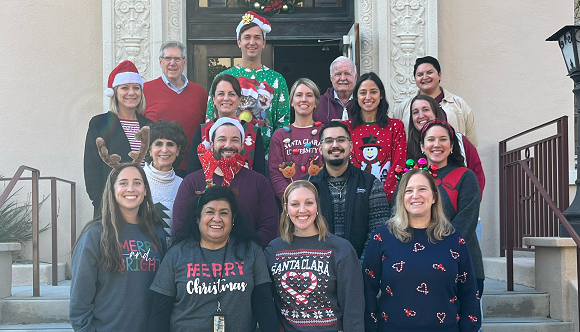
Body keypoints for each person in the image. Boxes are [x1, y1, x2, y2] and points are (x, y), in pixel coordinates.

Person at [362, 168, 481, 331]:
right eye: (408, 190)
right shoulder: (382, 237)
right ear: (401, 198)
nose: (415, 195)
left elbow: (469, 293)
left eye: (422, 189)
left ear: (434, 196)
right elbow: (367, 291)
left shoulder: (454, 239)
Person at [148, 186, 278, 332]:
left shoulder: (251, 251)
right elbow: (159, 315)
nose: (217, 218)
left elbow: (264, 305)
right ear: (198, 218)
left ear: (233, 219)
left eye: (224, 213)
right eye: (209, 212)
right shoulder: (176, 254)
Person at [70, 162, 166, 332]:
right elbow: (80, 299)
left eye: (137, 182)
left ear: (145, 190)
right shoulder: (95, 234)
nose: (131, 188)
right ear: (113, 190)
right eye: (123, 183)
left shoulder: (156, 231)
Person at [265, 180, 364, 332]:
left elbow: (353, 307)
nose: (302, 210)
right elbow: (264, 300)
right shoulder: (273, 250)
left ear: (317, 206)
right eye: (295, 204)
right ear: (286, 208)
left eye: (309, 203)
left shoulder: (341, 249)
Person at [173, 117, 279, 248]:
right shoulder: (192, 182)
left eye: (235, 140)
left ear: (242, 145)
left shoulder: (259, 182)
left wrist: (249, 254)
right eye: (222, 139)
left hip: (246, 262)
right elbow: (180, 225)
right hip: (199, 263)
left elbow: (268, 225)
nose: (228, 145)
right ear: (211, 145)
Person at [205, 11, 290, 153]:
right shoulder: (224, 77)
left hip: (265, 159)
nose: (252, 42)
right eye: (247, 37)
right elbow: (210, 118)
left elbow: (282, 123)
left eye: (257, 37)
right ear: (239, 42)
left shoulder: (277, 80)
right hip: (227, 155)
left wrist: (273, 156)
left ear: (264, 43)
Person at [419, 119, 484, 296]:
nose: (437, 144)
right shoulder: (413, 178)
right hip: (419, 265)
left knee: (465, 322)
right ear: (422, 146)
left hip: (461, 263)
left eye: (443, 139)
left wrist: (438, 251)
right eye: (431, 139)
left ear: (452, 145)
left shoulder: (465, 176)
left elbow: (466, 221)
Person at [307, 121, 389, 259]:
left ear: (350, 146)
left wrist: (358, 269)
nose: (335, 145)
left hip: (361, 270)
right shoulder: (308, 186)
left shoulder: (371, 184)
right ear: (320, 148)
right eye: (329, 141)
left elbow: (378, 233)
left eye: (341, 140)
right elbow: (300, 233)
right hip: (318, 270)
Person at [84, 60, 153, 216]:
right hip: (110, 206)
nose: (131, 92)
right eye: (124, 88)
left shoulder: (150, 126)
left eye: (136, 88)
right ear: (114, 92)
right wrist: (101, 202)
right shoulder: (100, 123)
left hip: (145, 205)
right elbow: (91, 167)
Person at [143, 41, 208, 177]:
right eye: (168, 58)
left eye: (177, 59)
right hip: (156, 169)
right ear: (160, 62)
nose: (172, 63)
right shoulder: (145, 91)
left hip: (192, 169)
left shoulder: (200, 93)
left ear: (184, 62)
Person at [407, 94, 485, 197]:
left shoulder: (460, 141)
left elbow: (478, 175)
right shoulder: (408, 147)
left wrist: (470, 203)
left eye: (426, 109)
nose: (421, 115)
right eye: (415, 112)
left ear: (436, 112)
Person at [390, 56, 478, 147]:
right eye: (420, 74)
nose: (425, 77)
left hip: (453, 160)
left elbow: (471, 143)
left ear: (439, 75)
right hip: (414, 160)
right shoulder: (403, 107)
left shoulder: (459, 105)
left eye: (429, 72)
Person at [346, 72, 407, 203]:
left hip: (386, 200)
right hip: (352, 199)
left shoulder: (396, 126)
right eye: (363, 92)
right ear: (356, 97)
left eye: (373, 92)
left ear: (381, 95)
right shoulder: (345, 128)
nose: (368, 97)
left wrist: (382, 196)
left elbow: (398, 165)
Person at [188, 74, 265, 175]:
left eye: (231, 94)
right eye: (221, 94)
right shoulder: (202, 131)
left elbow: (260, 174)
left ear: (239, 99)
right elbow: (193, 172)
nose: (226, 98)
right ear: (213, 99)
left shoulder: (253, 133)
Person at [269, 78, 324, 201]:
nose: (303, 99)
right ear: (292, 102)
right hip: (290, 202)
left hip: (319, 201)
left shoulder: (325, 133)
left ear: (315, 102)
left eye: (309, 95)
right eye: (299, 95)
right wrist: (291, 200)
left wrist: (316, 200)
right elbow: (275, 174)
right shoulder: (279, 136)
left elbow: (329, 169)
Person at [144, 120, 188, 246]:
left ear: (178, 150)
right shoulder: (137, 180)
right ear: (149, 150)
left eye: (170, 144)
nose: (164, 150)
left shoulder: (184, 185)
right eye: (158, 144)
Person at [314, 56, 357, 124]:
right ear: (331, 78)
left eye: (347, 73)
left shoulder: (363, 102)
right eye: (338, 74)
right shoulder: (318, 104)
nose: (343, 78)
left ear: (355, 77)